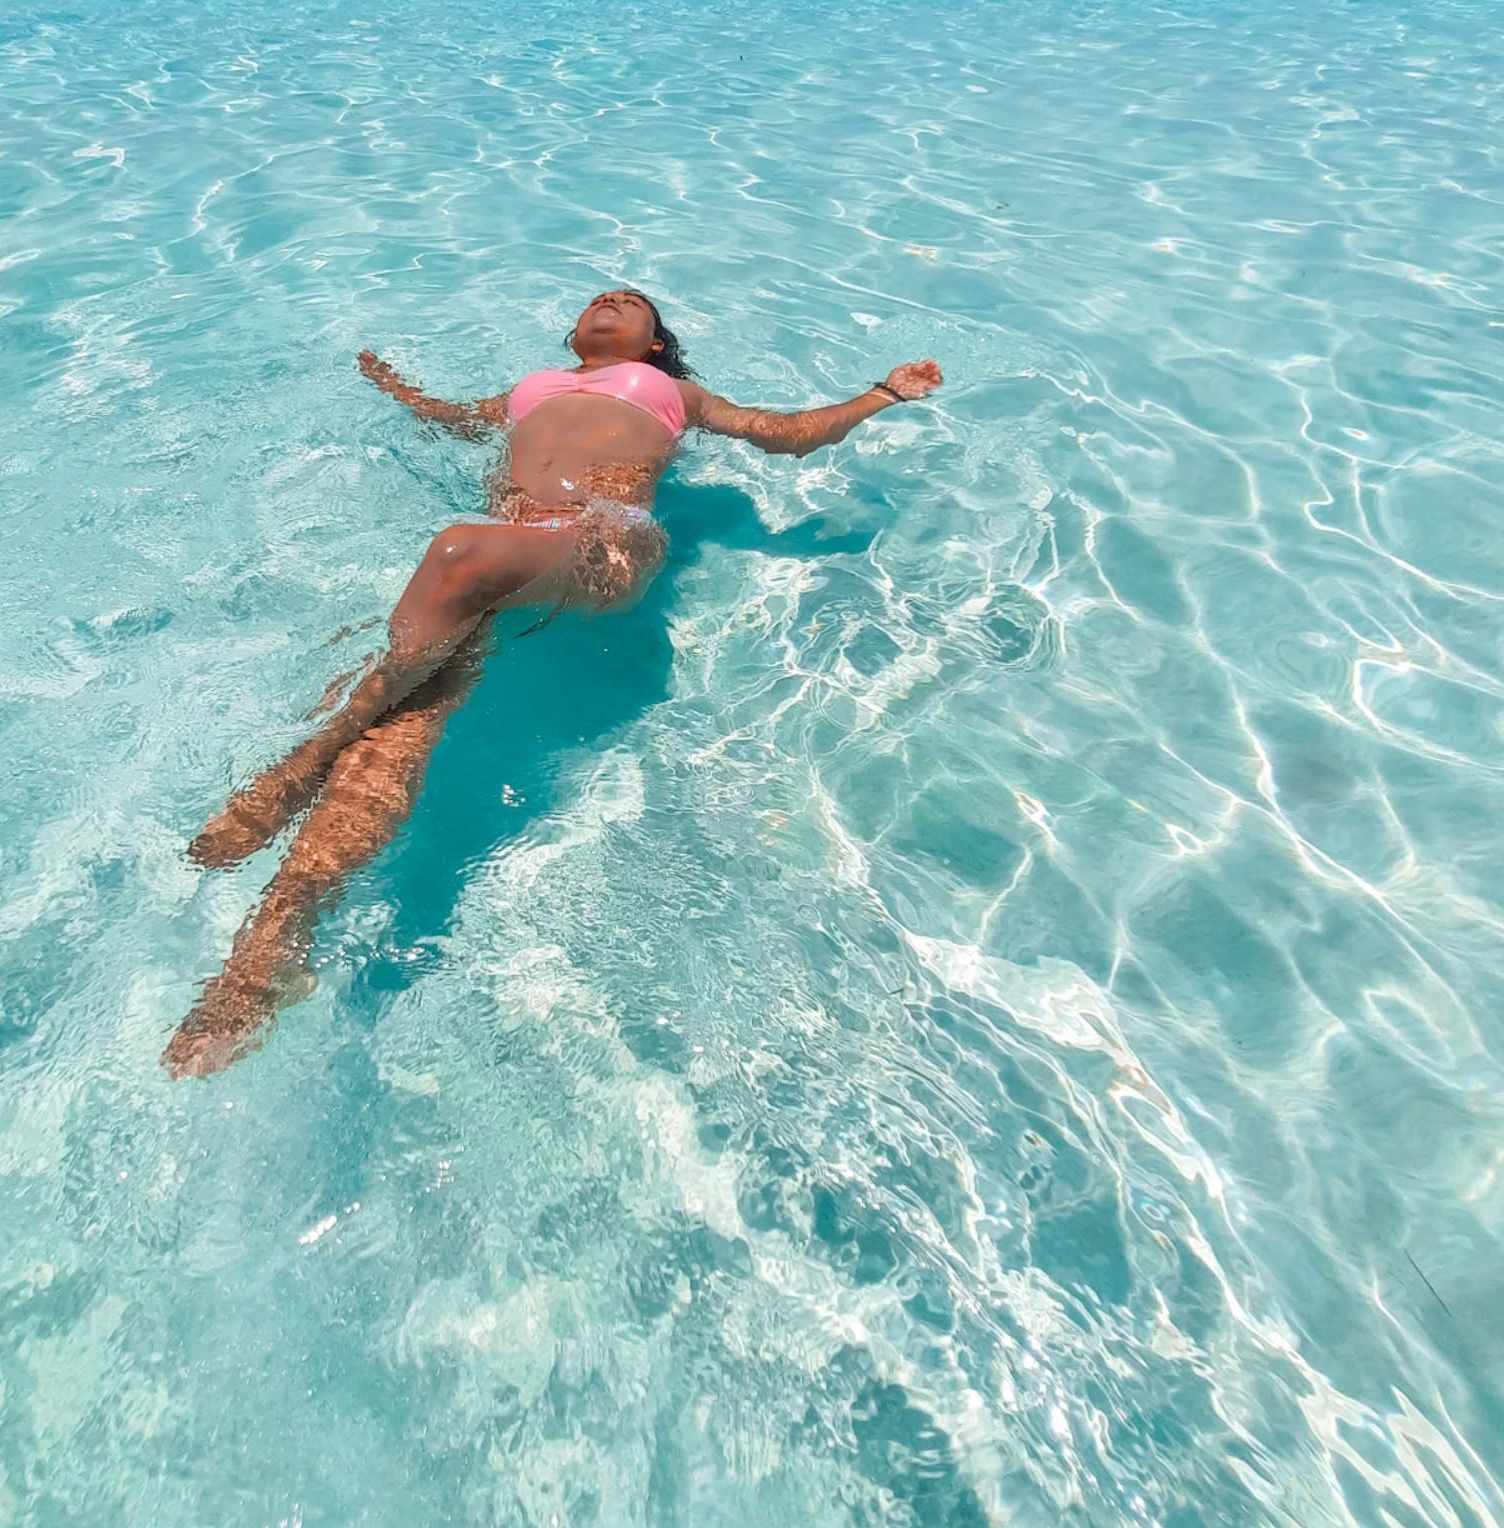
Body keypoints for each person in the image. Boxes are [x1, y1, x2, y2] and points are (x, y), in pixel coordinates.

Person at [165, 288, 943, 1075]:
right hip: (513, 552)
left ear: (652, 346)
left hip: (603, 543)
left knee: (454, 556)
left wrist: (883, 393)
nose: (612, 299)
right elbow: (449, 418)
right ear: (575, 335)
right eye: (600, 299)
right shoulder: (528, 390)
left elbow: (788, 435)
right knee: (410, 718)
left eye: (633, 303)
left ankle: (310, 756)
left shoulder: (673, 392)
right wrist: (393, 387)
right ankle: (268, 952)